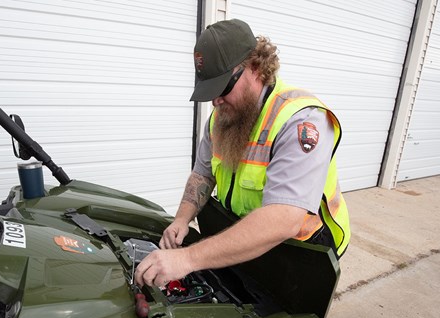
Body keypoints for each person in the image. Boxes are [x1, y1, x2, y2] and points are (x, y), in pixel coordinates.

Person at [135, 19, 350, 287]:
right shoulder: (221, 118)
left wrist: (186, 259)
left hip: (302, 252)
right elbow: (203, 175)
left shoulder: (301, 121)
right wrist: (181, 219)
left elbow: (284, 219)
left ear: (256, 67)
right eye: (210, 91)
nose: (215, 101)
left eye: (223, 87)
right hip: (243, 236)